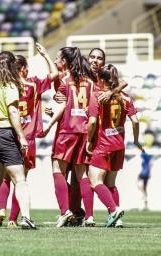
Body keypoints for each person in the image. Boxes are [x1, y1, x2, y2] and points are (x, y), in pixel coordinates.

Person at [0, 43, 58, 228]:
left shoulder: (4, 85)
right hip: (27, 137)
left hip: (7, 134)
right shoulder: (33, 84)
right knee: (21, 181)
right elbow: (55, 75)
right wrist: (45, 54)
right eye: (26, 67)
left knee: (5, 178)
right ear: (22, 69)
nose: (28, 70)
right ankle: (13, 219)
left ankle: (1, 209)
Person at [0, 51, 35, 230]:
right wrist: (22, 136)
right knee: (20, 178)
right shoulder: (10, 85)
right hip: (4, 134)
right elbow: (13, 112)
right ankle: (26, 217)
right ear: (12, 65)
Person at [43, 47, 96, 227]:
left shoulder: (65, 81)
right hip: (84, 131)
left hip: (67, 130)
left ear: (65, 61)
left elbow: (62, 107)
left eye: (59, 58)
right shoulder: (90, 82)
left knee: (58, 170)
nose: (57, 61)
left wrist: (48, 125)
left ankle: (65, 211)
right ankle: (89, 216)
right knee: (82, 175)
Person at [86, 64, 144, 227]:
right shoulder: (125, 97)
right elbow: (136, 121)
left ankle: (113, 210)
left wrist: (89, 141)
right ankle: (117, 220)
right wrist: (136, 140)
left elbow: (91, 123)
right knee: (110, 184)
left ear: (102, 80)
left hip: (103, 145)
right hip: (119, 146)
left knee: (95, 181)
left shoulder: (97, 96)